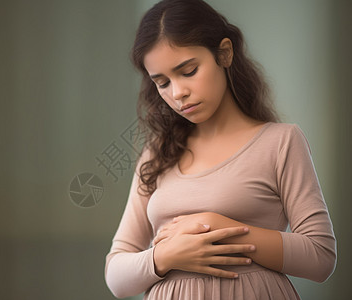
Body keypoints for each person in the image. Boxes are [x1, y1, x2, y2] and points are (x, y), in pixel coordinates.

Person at [104, 0, 337, 299]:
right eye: (162, 83)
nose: (177, 93)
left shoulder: (280, 142)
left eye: (188, 71)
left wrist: (214, 226)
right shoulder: (157, 154)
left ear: (224, 53)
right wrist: (164, 256)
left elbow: (320, 257)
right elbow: (116, 277)